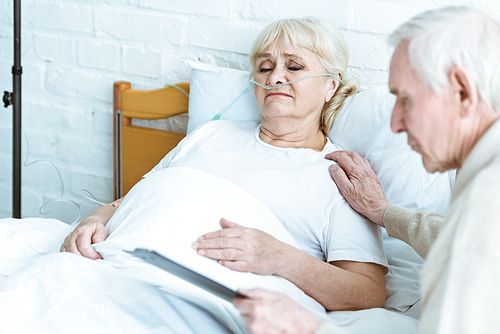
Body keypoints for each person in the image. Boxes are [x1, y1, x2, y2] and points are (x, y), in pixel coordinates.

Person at [61, 17, 389, 312]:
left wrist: (281, 258)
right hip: (114, 266)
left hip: (198, 295)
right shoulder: (212, 134)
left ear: (331, 84)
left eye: (294, 67)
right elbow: (138, 198)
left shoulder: (338, 175)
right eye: (264, 67)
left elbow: (368, 292)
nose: (275, 77)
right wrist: (97, 217)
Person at [233, 6, 500, 334]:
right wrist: (385, 213)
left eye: (406, 99)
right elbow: (454, 237)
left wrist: (308, 327)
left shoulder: (490, 193)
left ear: (461, 91)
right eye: (265, 67)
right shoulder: (482, 181)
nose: (394, 123)